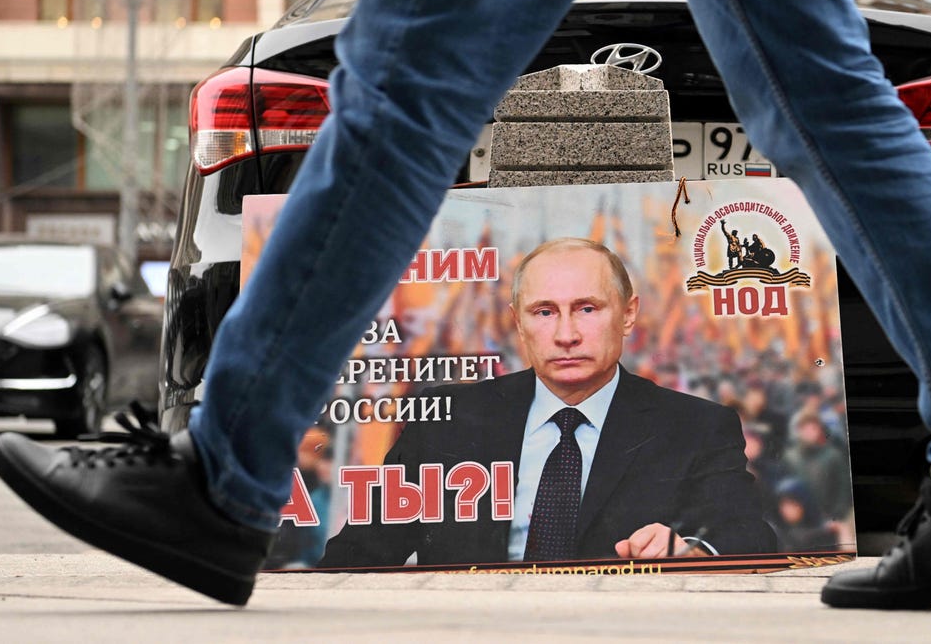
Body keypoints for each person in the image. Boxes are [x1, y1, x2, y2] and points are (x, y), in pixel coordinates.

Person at [0, 0, 931, 610]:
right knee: (814, 79)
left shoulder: (700, 430)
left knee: (412, 73)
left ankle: (223, 480)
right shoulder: (481, 417)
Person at [318, 238, 773, 568]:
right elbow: (359, 551)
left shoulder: (694, 426)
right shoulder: (449, 419)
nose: (566, 334)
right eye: (545, 312)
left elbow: (749, 536)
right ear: (518, 322)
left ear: (628, 313)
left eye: (588, 308)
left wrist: (691, 550)